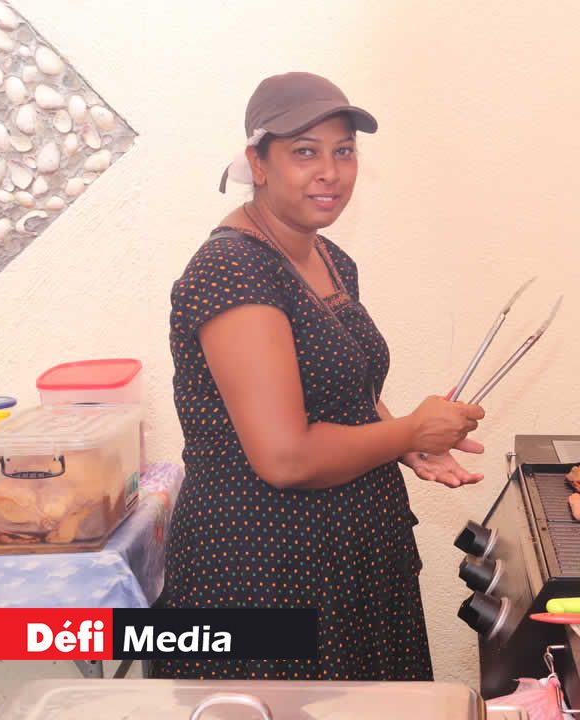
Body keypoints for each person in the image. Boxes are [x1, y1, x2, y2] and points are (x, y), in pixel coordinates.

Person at [155, 72, 487, 681]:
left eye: (344, 151)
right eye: (305, 152)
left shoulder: (326, 256)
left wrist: (402, 440)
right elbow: (284, 456)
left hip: (345, 562)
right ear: (258, 163)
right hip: (266, 578)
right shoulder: (232, 271)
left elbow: (345, 385)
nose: (330, 172)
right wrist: (410, 431)